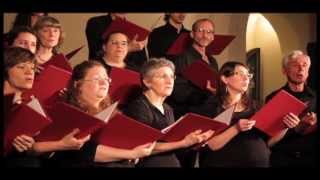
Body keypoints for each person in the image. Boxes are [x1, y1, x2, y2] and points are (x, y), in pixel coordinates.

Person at [50, 60, 155, 167]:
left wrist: (134, 148)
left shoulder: (114, 112)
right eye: (96, 79)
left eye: (106, 79)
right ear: (78, 85)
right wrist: (131, 154)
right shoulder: (69, 112)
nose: (104, 82)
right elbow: (87, 151)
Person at [195, 61, 300, 167]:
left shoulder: (256, 106)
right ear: (224, 79)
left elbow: (269, 142)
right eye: (240, 74)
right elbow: (212, 145)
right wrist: (236, 128)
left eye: (248, 75)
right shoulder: (211, 107)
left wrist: (284, 127)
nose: (246, 79)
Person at [124, 58, 214, 167]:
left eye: (172, 76)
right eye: (163, 76)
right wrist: (183, 143)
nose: (170, 81)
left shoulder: (168, 108)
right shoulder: (139, 107)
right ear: (147, 82)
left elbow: (172, 145)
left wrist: (194, 142)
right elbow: (143, 147)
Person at [166, 18, 218, 167]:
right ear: (192, 34)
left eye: (209, 32)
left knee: (207, 159)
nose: (205, 35)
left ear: (213, 37)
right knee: (186, 159)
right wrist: (203, 92)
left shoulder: (213, 61)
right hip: (190, 116)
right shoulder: (183, 58)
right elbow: (176, 90)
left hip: (209, 115)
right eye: (201, 31)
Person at [265, 50, 317, 167]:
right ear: (284, 71)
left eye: (304, 65)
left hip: (310, 158)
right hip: (282, 159)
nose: (301, 69)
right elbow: (268, 139)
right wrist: (294, 128)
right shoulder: (273, 98)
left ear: (308, 71)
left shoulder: (315, 97)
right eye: (295, 65)